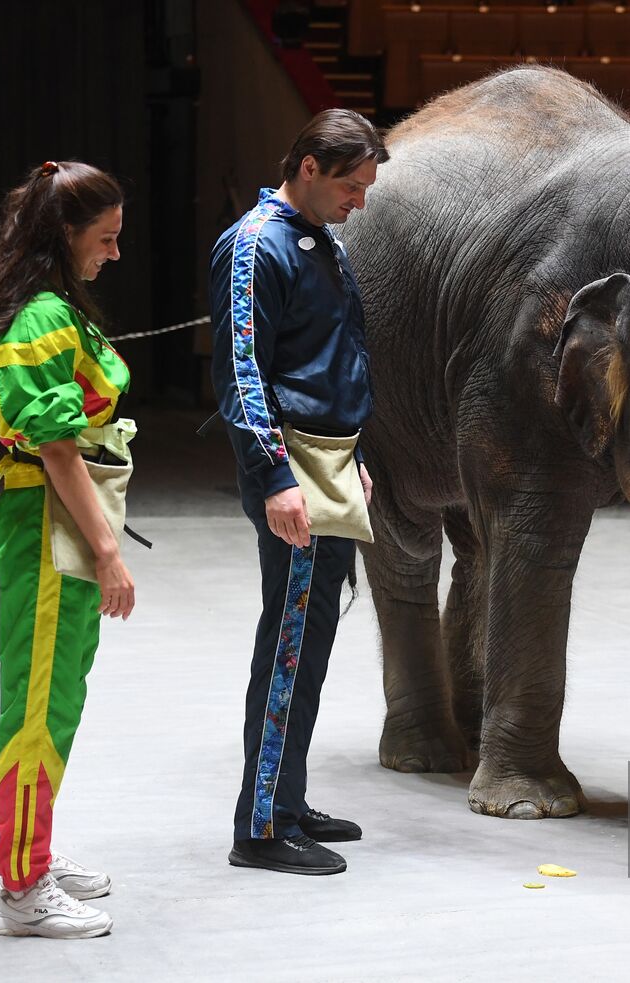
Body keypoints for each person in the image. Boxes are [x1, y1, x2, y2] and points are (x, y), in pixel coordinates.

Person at [210, 109, 387, 875]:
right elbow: (242, 375)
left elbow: (332, 356)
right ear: (308, 166)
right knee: (286, 645)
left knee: (310, 643)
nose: (360, 201)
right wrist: (278, 477)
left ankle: (285, 796)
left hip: (333, 463)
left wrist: (355, 458)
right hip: (295, 467)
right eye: (351, 185)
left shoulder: (321, 240)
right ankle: (259, 826)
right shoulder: (253, 244)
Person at [0, 160, 134, 937]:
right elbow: (59, 449)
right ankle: (23, 886)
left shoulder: (54, 307)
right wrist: (107, 551)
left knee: (57, 694)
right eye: (105, 237)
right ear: (66, 233)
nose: (114, 251)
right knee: (37, 704)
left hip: (55, 519)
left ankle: (31, 847)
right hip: (47, 522)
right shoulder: (41, 317)